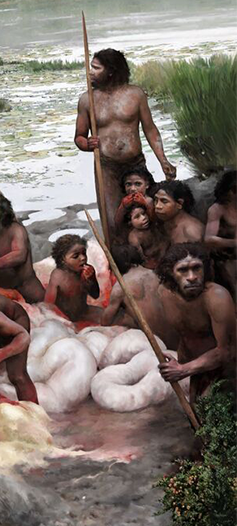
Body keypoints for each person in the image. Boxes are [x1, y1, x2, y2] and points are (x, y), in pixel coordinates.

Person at [74, 48, 176, 239]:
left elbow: (150, 129)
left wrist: (164, 161)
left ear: (110, 70)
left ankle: (149, 256)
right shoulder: (87, 100)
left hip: (135, 165)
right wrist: (87, 144)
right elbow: (79, 137)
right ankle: (119, 260)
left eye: (96, 68)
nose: (90, 72)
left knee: (146, 214)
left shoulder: (135, 94)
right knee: (113, 220)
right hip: (106, 167)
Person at [155, 243, 235, 401]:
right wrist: (180, 367)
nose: (191, 277)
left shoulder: (217, 297)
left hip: (228, 370)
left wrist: (183, 370)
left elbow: (228, 351)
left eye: (196, 268)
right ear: (171, 273)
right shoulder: (164, 294)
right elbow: (186, 336)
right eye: (183, 270)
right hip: (198, 369)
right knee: (196, 414)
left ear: (205, 269)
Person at [101, 244, 178, 347]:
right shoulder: (158, 275)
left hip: (154, 342)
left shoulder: (121, 287)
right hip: (176, 337)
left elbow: (105, 321)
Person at [45, 234, 102, 323]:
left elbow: (95, 295)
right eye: (76, 256)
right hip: (63, 317)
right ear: (63, 259)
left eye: (84, 253)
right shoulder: (58, 276)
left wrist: (91, 279)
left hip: (83, 312)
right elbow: (48, 305)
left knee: (110, 316)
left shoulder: (87, 271)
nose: (83, 258)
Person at [204, 169, 236, 294]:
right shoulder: (217, 209)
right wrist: (233, 243)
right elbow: (209, 239)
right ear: (230, 192)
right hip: (226, 257)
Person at [116, 195, 170, 269]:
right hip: (150, 263)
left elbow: (163, 241)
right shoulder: (134, 237)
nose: (144, 218)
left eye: (144, 213)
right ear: (130, 222)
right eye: (137, 217)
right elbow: (142, 259)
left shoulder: (152, 226)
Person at [151, 180, 204, 245]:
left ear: (180, 204)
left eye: (164, 201)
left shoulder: (191, 232)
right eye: (156, 200)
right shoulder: (161, 222)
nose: (157, 206)